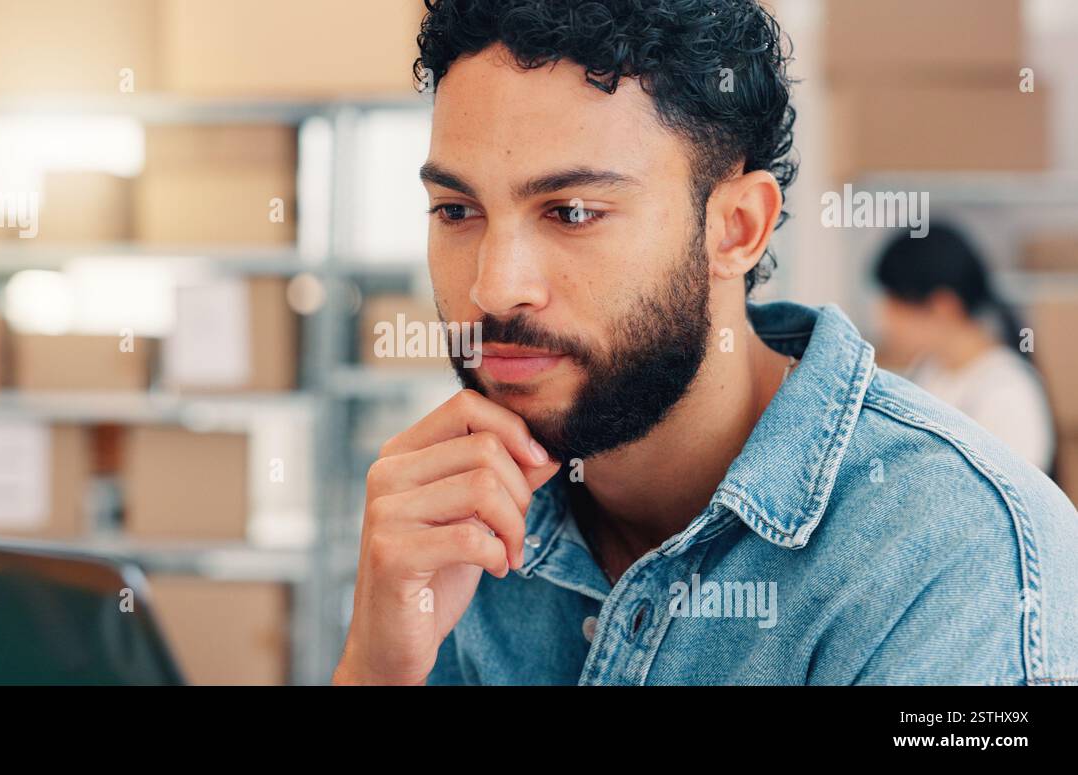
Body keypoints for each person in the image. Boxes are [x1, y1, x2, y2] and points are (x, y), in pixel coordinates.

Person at [333, 0, 1078, 685]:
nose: (495, 288)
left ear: (737, 228)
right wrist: (373, 666)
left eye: (573, 211)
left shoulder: (958, 557)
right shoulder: (459, 522)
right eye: (458, 210)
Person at [874, 224, 1055, 472]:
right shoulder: (928, 369)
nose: (885, 321)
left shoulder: (1007, 393)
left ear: (942, 307)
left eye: (895, 305)